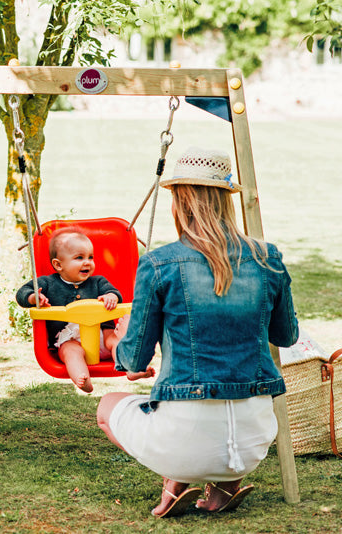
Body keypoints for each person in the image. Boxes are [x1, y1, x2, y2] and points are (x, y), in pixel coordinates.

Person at [96, 147, 298, 517]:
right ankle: (225, 484)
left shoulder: (159, 263)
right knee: (214, 423)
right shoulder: (267, 258)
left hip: (185, 438)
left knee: (108, 407)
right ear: (226, 202)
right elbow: (286, 337)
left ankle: (176, 476)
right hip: (253, 443)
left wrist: (127, 337)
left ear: (179, 201)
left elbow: (134, 359)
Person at [16, 227, 122, 393]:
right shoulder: (47, 283)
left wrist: (111, 297)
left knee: (116, 341)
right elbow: (22, 293)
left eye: (90, 257)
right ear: (58, 265)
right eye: (79, 258)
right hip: (69, 337)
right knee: (70, 351)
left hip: (102, 333)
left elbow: (116, 294)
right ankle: (82, 378)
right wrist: (33, 298)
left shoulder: (98, 282)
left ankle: (130, 369)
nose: (87, 262)